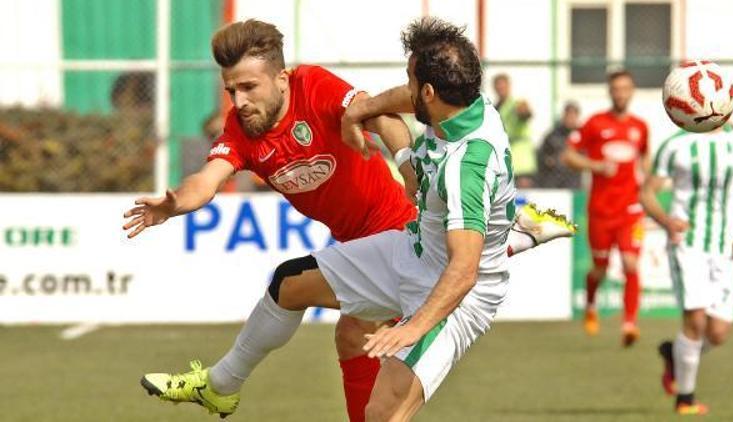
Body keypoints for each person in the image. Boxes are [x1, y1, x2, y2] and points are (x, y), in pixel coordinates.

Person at [124, 19, 573, 420]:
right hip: (411, 249)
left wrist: (413, 328)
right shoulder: (462, 105)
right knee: (290, 283)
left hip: (444, 285)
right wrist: (175, 203)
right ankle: (221, 386)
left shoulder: (465, 165)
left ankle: (509, 235)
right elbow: (397, 102)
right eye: (231, 90)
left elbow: (463, 270)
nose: (238, 101)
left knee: (378, 398)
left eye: (248, 88)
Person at [641, 124, 733, 415]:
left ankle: (674, 356)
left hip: (725, 247)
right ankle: (685, 399)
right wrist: (666, 221)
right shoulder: (676, 144)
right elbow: (647, 194)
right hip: (686, 243)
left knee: (718, 333)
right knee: (696, 320)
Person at [561, 70, 649, 346]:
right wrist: (596, 166)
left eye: (626, 88)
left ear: (632, 91)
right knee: (599, 269)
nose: (621, 93)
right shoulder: (596, 124)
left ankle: (629, 324)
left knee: (631, 263)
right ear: (610, 92)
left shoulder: (640, 126)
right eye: (616, 89)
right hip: (601, 210)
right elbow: (568, 155)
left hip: (631, 209)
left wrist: (645, 179)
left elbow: (645, 154)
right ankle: (590, 304)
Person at [493, 73, 535, 188]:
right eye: (498, 87)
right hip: (503, 159)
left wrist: (524, 112)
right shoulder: (495, 107)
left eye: (503, 86)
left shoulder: (516, 104)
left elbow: (526, 113)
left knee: (524, 196)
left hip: (521, 159)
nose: (501, 90)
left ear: (509, 86)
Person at [536, 102, 581, 189]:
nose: (570, 119)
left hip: (574, 184)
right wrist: (549, 160)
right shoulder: (553, 135)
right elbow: (541, 155)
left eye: (573, 116)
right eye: (568, 116)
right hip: (554, 184)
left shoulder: (582, 135)